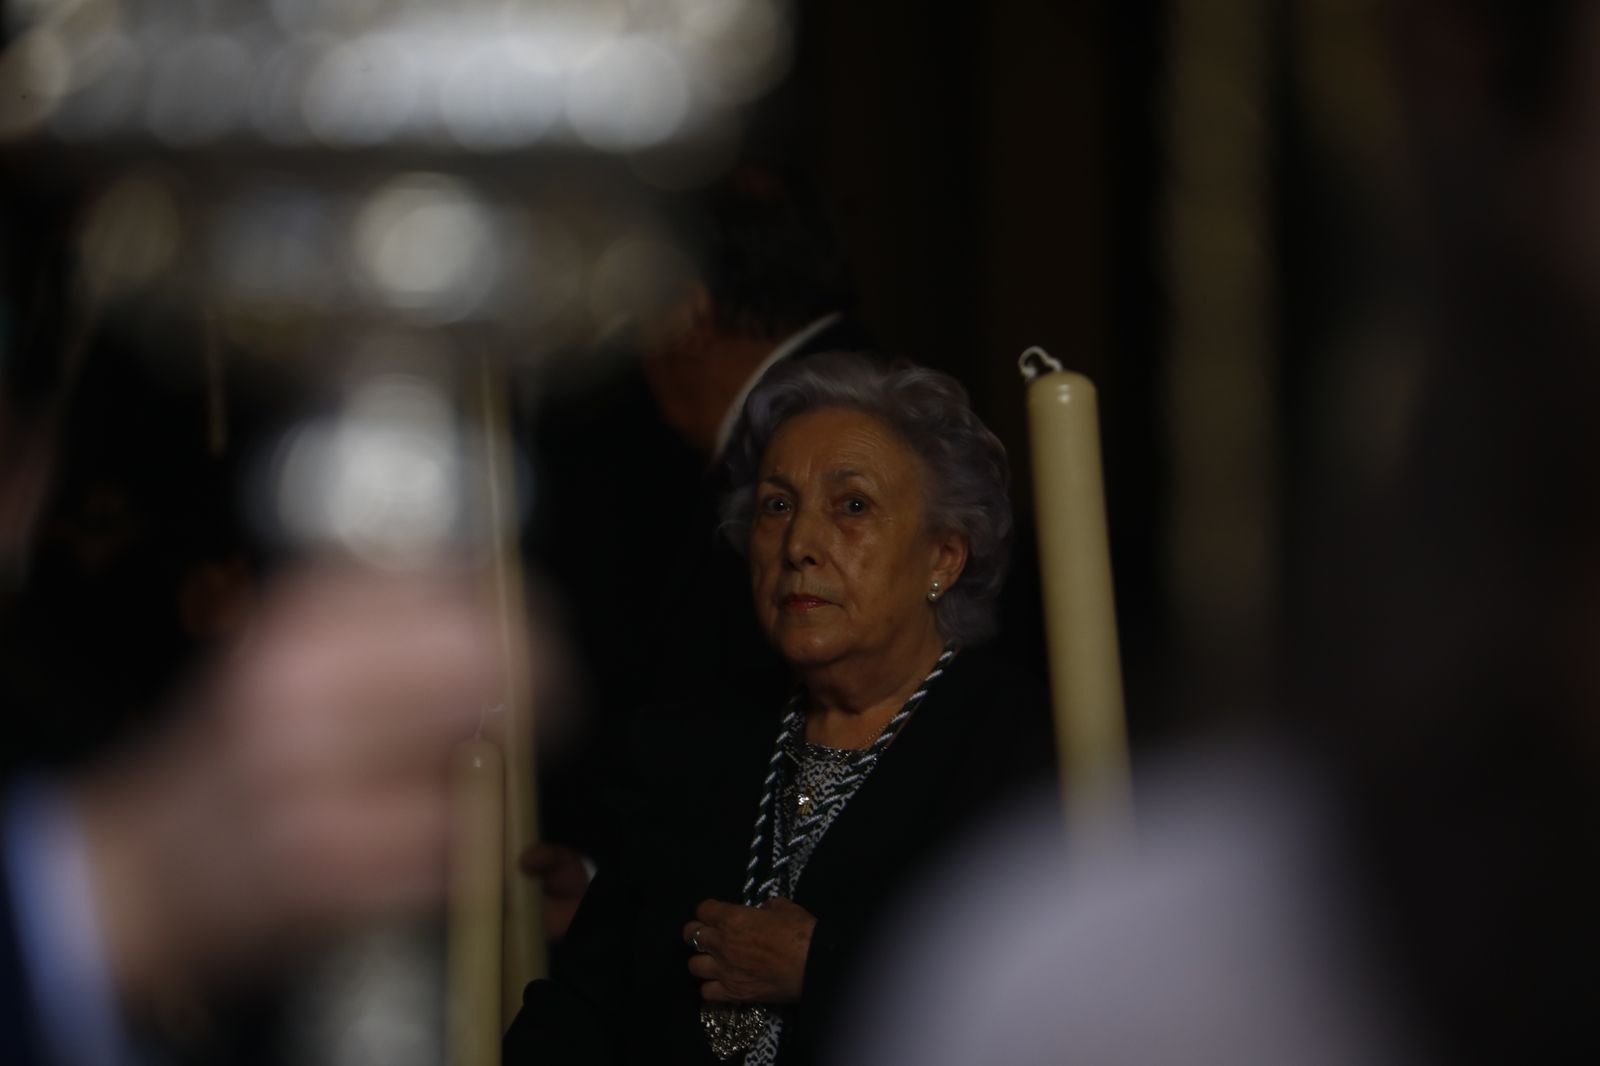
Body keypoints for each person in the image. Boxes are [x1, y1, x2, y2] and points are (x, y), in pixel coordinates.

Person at [504, 353, 1057, 1065]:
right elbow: (583, 1007)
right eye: (776, 505)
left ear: (943, 558)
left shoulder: (1021, 750)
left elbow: (1046, 1006)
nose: (799, 546)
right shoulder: (693, 742)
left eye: (852, 506)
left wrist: (821, 967)